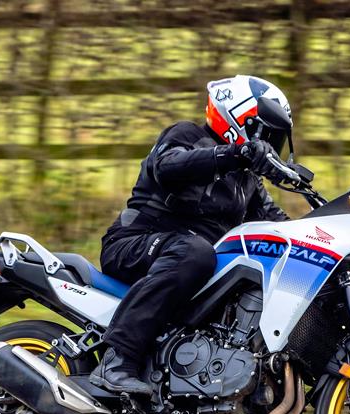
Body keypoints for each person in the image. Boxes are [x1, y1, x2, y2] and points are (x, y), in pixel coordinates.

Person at [90, 75, 292, 396]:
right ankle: (117, 359)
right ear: (239, 118)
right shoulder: (187, 134)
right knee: (195, 252)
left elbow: (279, 225)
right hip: (135, 243)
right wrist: (235, 153)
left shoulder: (247, 181)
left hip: (187, 263)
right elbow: (167, 166)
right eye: (265, 134)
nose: (268, 144)